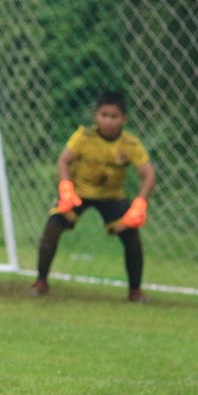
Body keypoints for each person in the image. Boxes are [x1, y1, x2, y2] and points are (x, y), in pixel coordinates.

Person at [30, 90, 156, 303]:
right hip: (79, 193)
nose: (108, 121)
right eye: (104, 115)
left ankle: (135, 291)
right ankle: (41, 282)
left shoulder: (130, 144)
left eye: (114, 116)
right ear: (95, 115)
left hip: (112, 196)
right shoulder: (84, 137)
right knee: (53, 226)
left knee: (132, 237)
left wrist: (140, 204)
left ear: (124, 119)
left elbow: (149, 174)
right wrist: (66, 187)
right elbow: (63, 161)